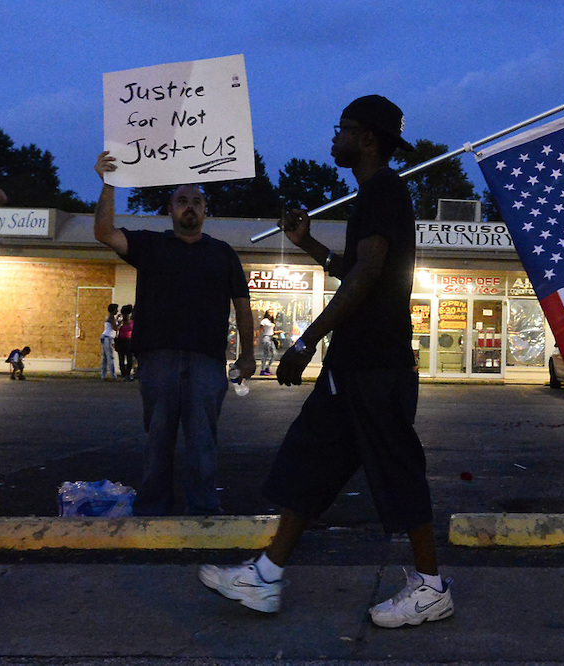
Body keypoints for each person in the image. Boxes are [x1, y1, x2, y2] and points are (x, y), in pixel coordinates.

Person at [197, 95, 453, 628]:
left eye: (342, 129)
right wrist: (308, 242)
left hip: (375, 366)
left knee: (398, 471)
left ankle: (431, 587)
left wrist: (305, 340)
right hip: (353, 365)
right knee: (308, 462)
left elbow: (366, 276)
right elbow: (353, 268)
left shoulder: (384, 188)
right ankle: (265, 575)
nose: (332, 138)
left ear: (366, 139)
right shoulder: (372, 196)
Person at [93, 151, 255, 515]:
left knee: (203, 443)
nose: (190, 207)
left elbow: (243, 307)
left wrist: (247, 354)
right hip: (158, 360)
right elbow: (103, 232)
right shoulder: (150, 246)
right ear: (170, 209)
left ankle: (203, 510)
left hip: (206, 362)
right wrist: (108, 183)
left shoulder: (223, 254)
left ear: (205, 211)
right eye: (182, 201)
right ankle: (154, 508)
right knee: (158, 441)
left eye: (197, 202)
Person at [116, 304, 136, 381]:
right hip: (121, 340)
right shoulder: (120, 323)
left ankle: (128, 374)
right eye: (125, 314)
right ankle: (123, 374)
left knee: (129, 359)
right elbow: (115, 330)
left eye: (127, 314)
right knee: (121, 358)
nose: (126, 316)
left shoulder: (132, 323)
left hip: (129, 340)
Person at [257, 309, 280, 376]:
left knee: (274, 354)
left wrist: (278, 332)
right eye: (269, 312)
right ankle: (263, 369)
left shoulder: (271, 321)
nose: (271, 314)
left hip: (271, 337)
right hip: (266, 338)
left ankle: (267, 367)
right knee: (266, 354)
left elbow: (271, 331)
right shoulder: (264, 321)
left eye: (272, 312)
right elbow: (260, 329)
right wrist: (257, 338)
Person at [100, 303, 119, 380]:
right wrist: (120, 324)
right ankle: (113, 375)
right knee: (110, 357)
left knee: (104, 357)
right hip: (108, 337)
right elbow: (115, 328)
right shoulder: (111, 317)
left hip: (105, 336)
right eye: (116, 309)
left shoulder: (110, 317)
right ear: (113, 310)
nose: (117, 311)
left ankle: (103, 375)